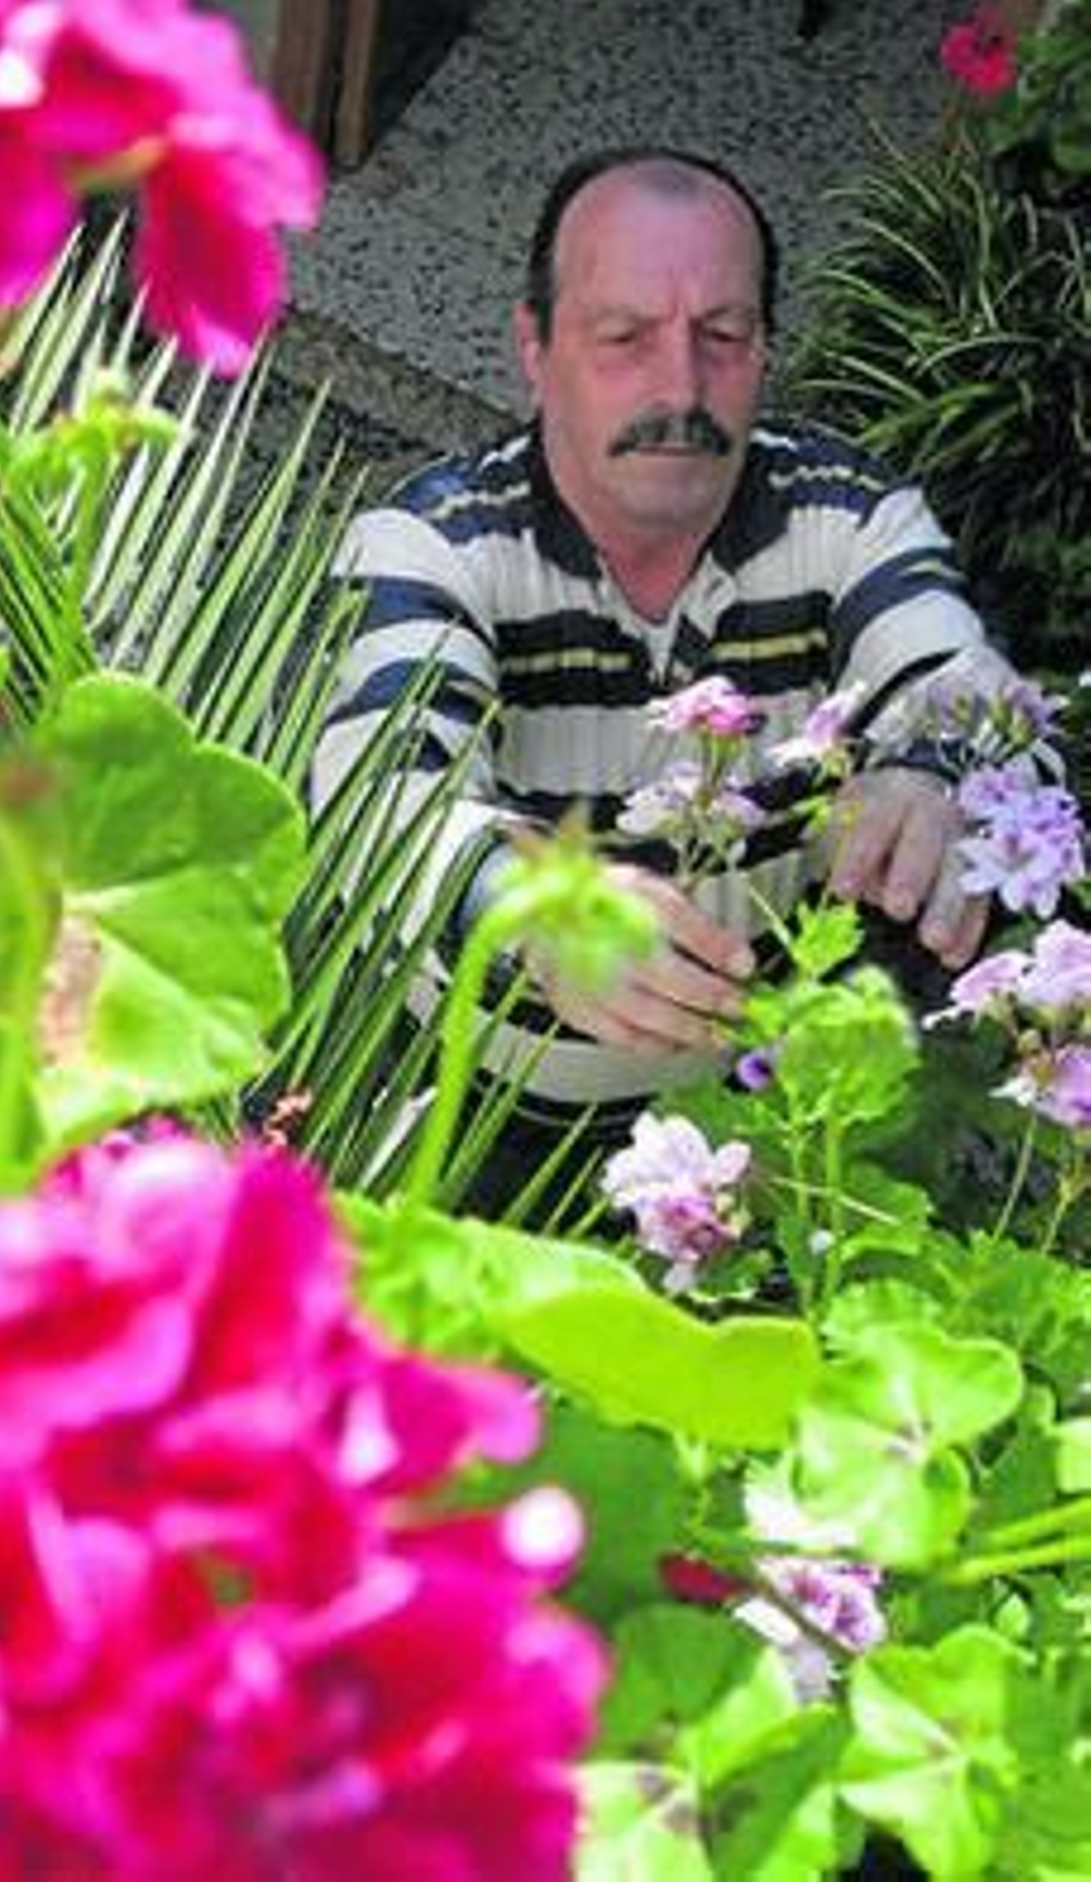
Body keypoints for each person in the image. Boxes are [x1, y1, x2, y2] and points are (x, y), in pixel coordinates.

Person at [311, 145, 1037, 1213]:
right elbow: (379, 795)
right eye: (623, 337)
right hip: (471, 1130)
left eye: (723, 336)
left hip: (749, 1138)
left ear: (765, 350)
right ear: (534, 345)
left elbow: (957, 673)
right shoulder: (428, 543)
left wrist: (928, 769)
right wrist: (529, 909)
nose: (679, 388)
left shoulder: (849, 513)